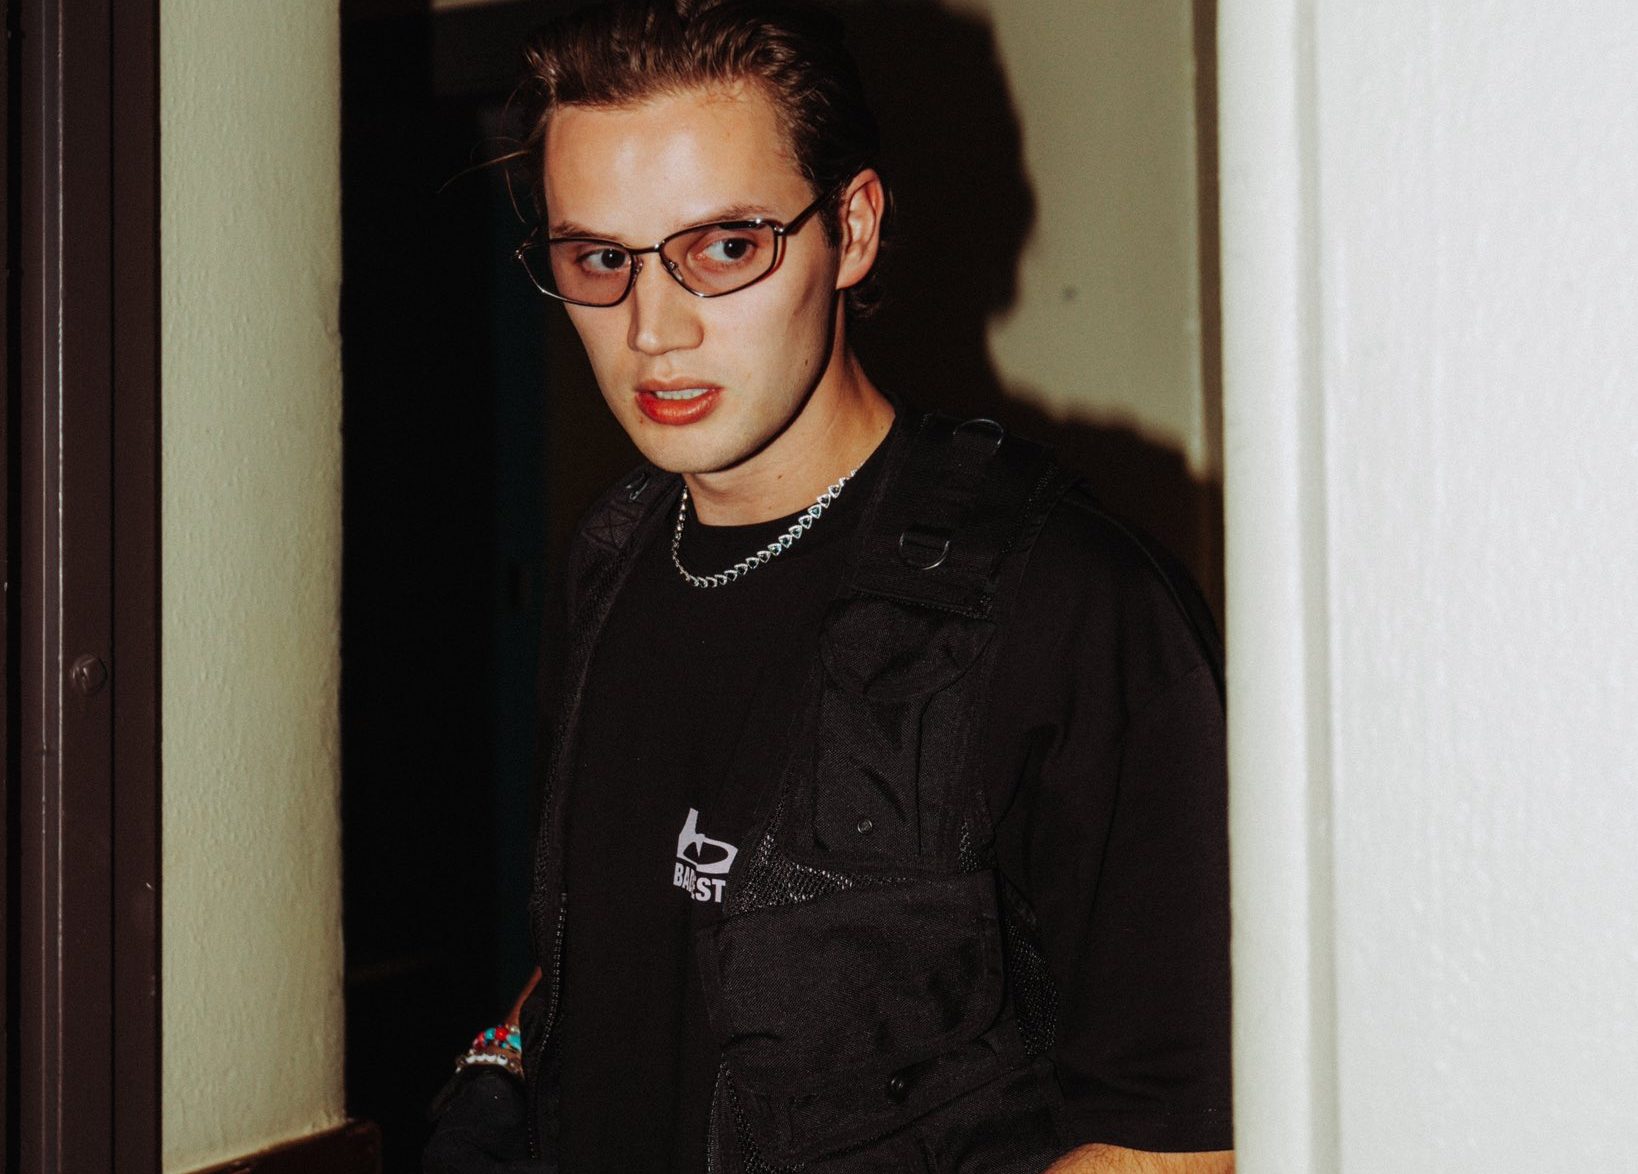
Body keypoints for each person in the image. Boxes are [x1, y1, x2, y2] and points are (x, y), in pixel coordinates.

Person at [425, 1, 1232, 1170]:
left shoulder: (1073, 607)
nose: (654, 330)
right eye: (601, 258)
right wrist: (507, 1060)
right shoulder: (610, 556)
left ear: (851, 230)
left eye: (724, 248)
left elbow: (1176, 1135)